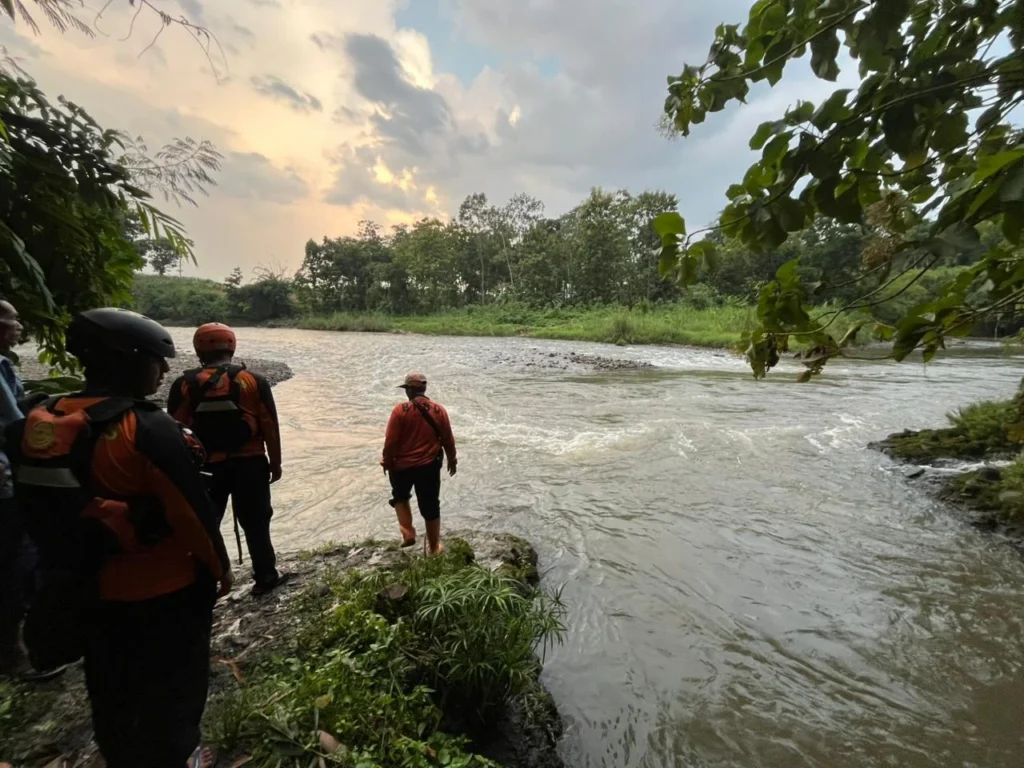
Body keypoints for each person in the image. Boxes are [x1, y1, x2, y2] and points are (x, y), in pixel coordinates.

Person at [7, 308, 233, 768]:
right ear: (128, 360)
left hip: (82, 585)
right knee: (176, 681)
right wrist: (221, 568)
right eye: (155, 359)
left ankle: (120, 754)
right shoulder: (147, 428)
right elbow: (191, 514)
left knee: (108, 682)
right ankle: (181, 755)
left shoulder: (37, 420)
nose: (163, 369)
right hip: (161, 588)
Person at [168, 323, 286, 596]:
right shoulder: (253, 381)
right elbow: (269, 425)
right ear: (232, 347)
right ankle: (266, 576)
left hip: (205, 467)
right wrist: (276, 463)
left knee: (205, 522)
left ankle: (205, 581)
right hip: (251, 464)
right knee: (256, 522)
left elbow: (175, 430)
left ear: (198, 349)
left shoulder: (184, 384)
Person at [381, 372, 457, 555]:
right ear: (424, 389)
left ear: (408, 390)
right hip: (429, 466)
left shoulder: (400, 411)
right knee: (430, 506)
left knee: (400, 496)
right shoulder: (439, 410)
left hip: (401, 466)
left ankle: (408, 532)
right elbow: (448, 438)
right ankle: (434, 547)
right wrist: (452, 459)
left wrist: (386, 461)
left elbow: (391, 441)